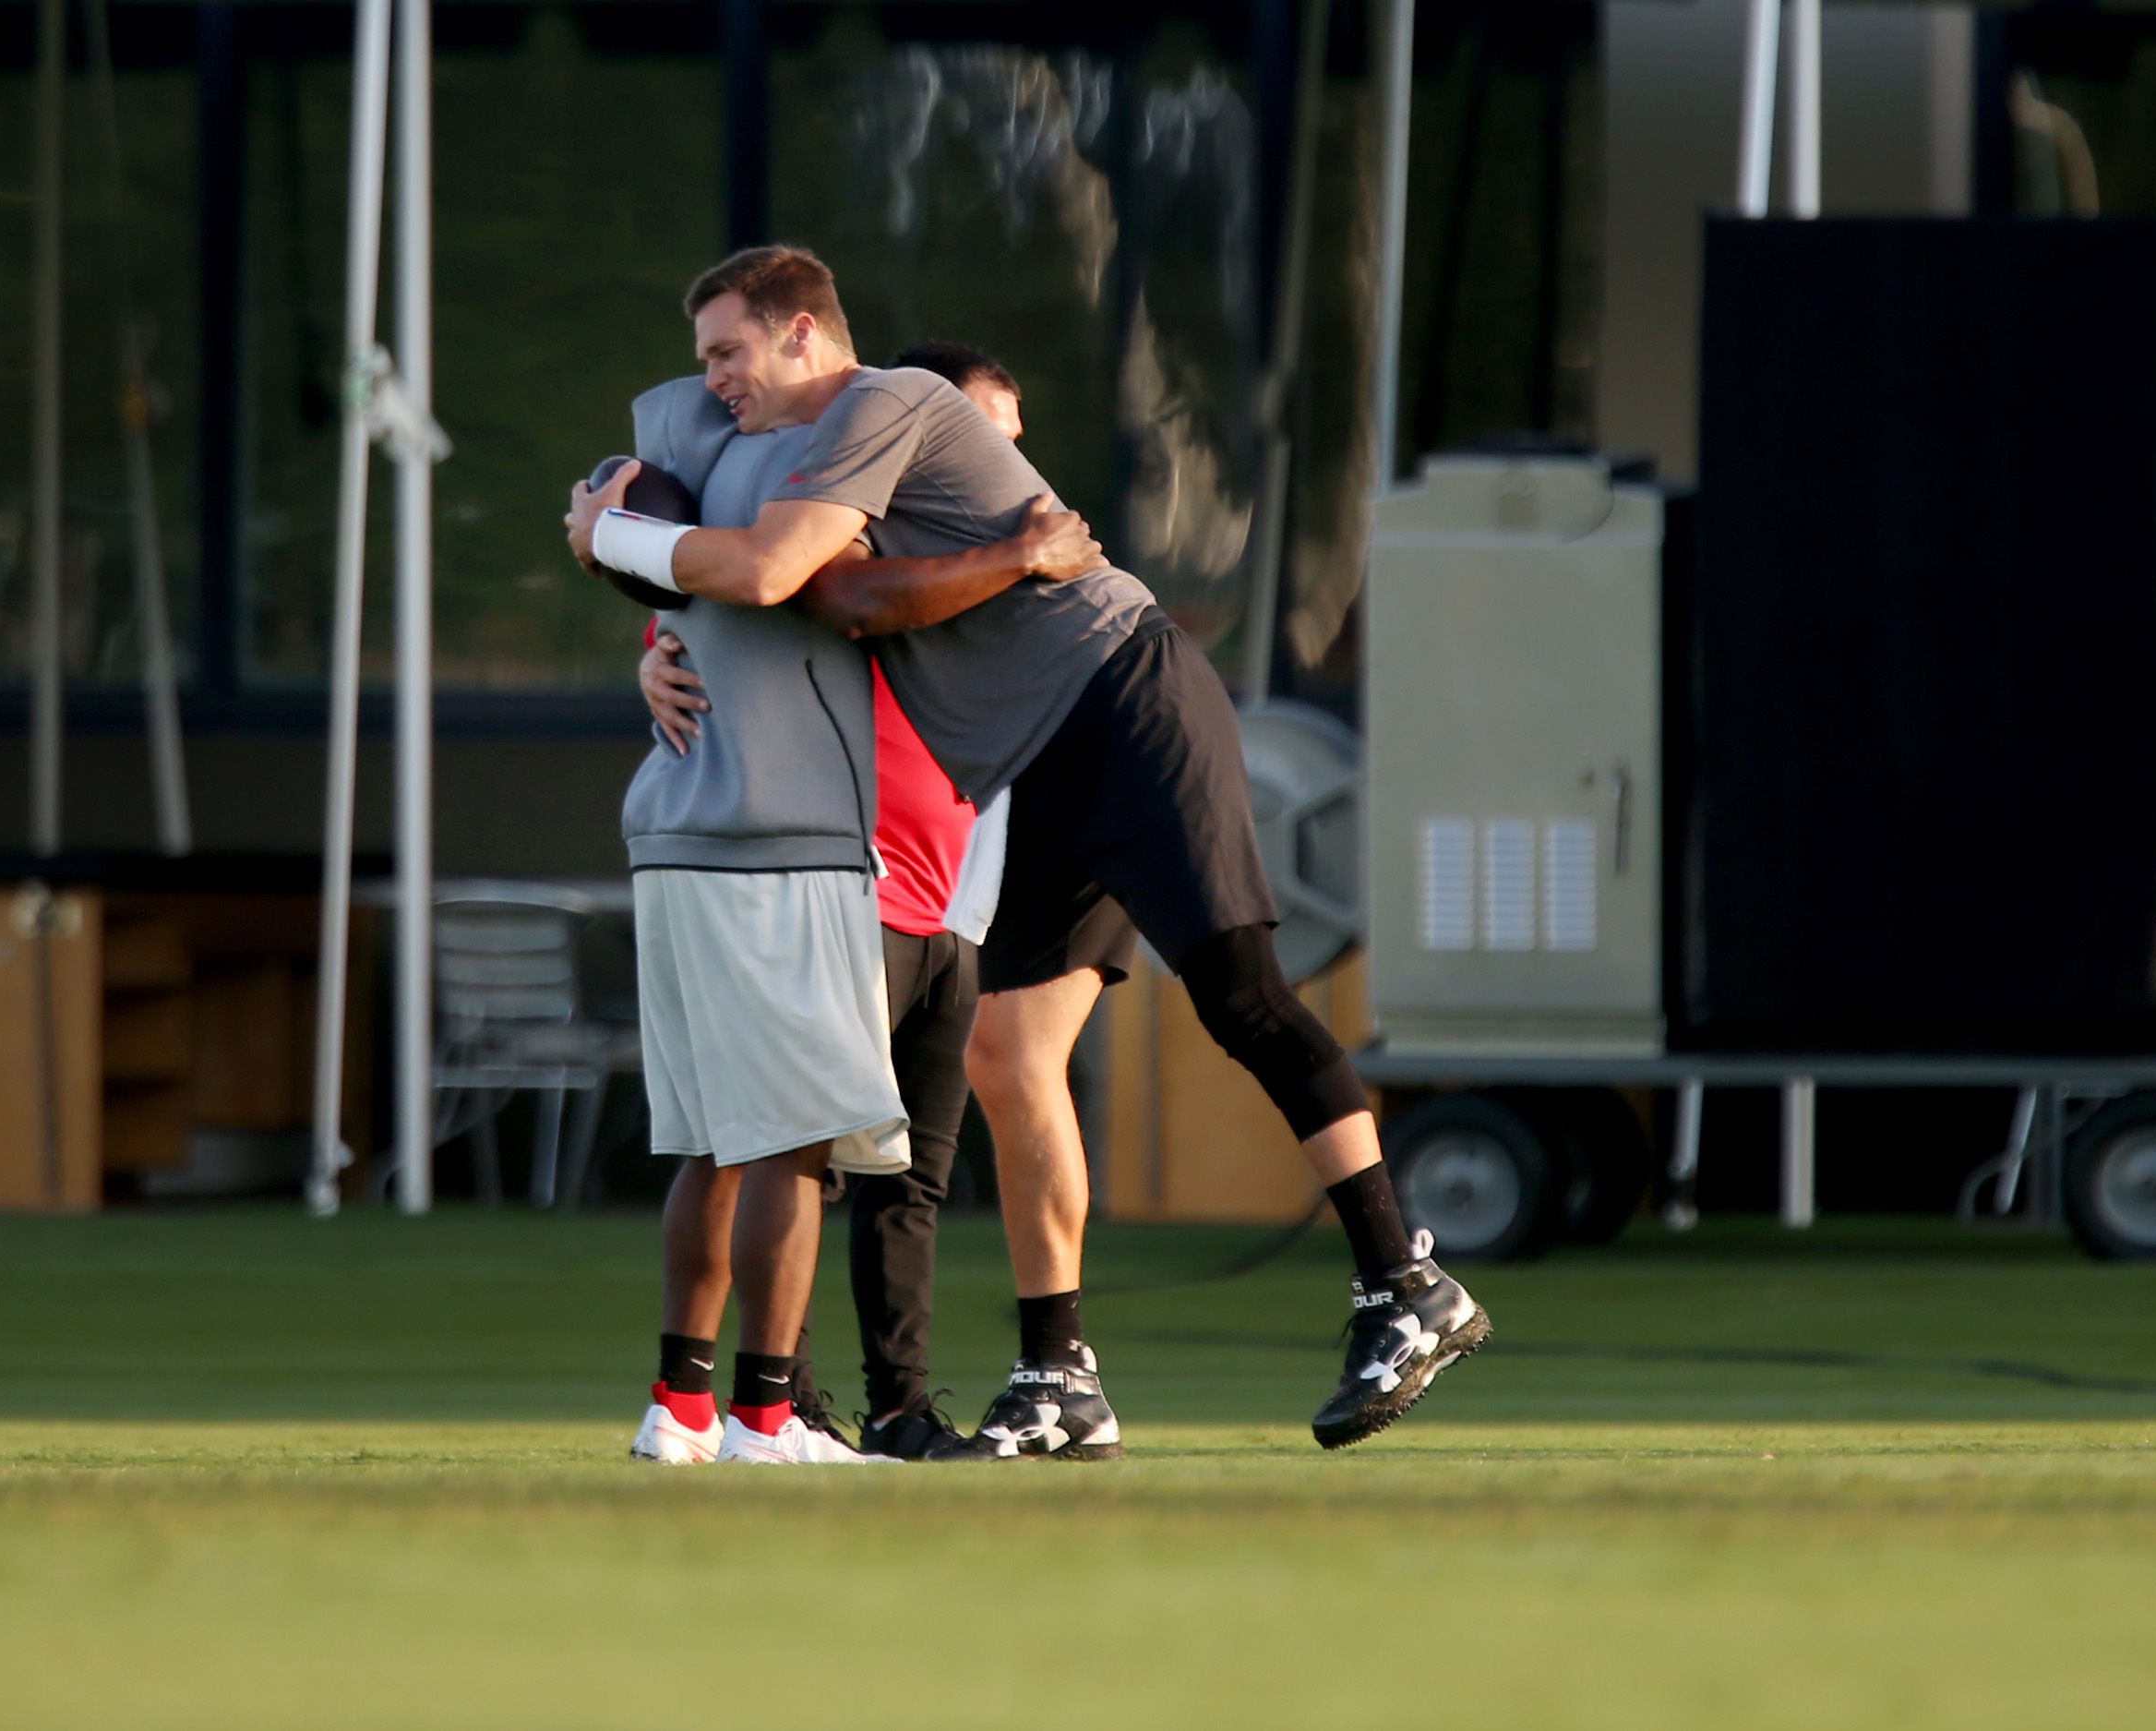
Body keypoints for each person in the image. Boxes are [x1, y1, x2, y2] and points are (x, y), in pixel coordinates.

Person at [572, 246, 1488, 1457]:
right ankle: (1060, 1370)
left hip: (1122, 697)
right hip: (1028, 754)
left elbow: (820, 590)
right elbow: (716, 526)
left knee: (1240, 989)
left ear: (805, 334)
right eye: (706, 361)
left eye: (730, 352)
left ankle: (1402, 1280)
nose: (716, 380)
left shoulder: (882, 400)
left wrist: (615, 537)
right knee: (1009, 1049)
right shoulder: (786, 440)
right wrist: (637, 592)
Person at [598, 352, 1101, 1467]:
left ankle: (883, 1408)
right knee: (790, 1149)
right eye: (974, 433)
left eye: (1011, 441)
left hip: (950, 899)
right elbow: (765, 597)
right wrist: (649, 629)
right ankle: (773, 1410)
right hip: (839, 878)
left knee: (901, 1176)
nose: (996, 461)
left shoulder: (1006, 568)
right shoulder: (861, 544)